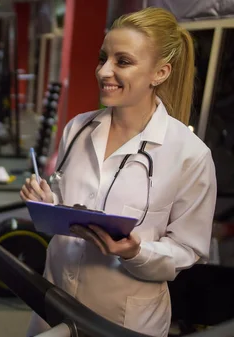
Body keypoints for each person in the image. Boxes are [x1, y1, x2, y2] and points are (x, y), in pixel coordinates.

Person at [20, 7, 217, 337]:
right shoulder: (78, 129)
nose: (103, 71)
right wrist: (47, 202)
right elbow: (70, 203)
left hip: (124, 319)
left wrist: (136, 252)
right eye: (103, 58)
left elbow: (188, 250)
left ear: (160, 72)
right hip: (54, 301)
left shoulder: (190, 154)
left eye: (122, 62)